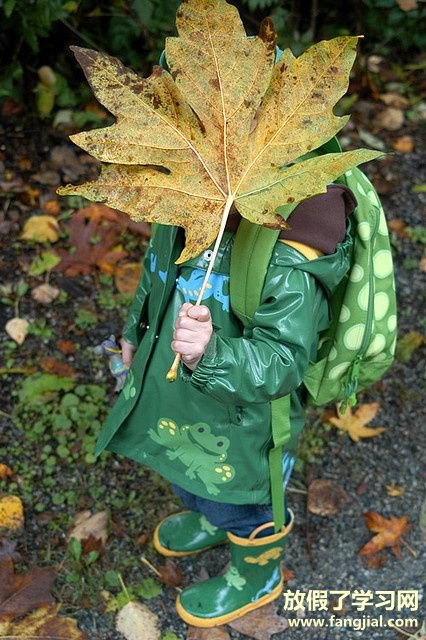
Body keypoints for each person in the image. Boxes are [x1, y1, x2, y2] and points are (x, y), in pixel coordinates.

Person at [94, 162, 356, 625]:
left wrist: (210, 355)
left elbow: (283, 361)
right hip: (177, 402)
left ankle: (257, 574)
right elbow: (156, 274)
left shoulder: (291, 252)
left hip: (242, 428)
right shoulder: (186, 202)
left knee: (244, 504)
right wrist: (135, 327)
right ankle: (210, 516)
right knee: (190, 477)